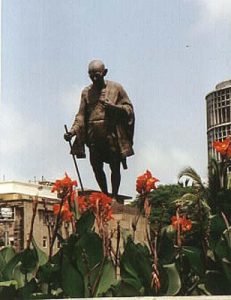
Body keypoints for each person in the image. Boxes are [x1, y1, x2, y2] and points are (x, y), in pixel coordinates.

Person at [64, 60, 135, 200]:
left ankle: (114, 196)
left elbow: (129, 109)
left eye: (97, 75)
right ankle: (104, 194)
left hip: (111, 135)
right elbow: (81, 115)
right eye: (91, 75)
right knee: (96, 167)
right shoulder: (86, 92)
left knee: (115, 166)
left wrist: (114, 108)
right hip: (93, 136)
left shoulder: (116, 88)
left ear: (104, 72)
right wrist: (72, 132)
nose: (94, 78)